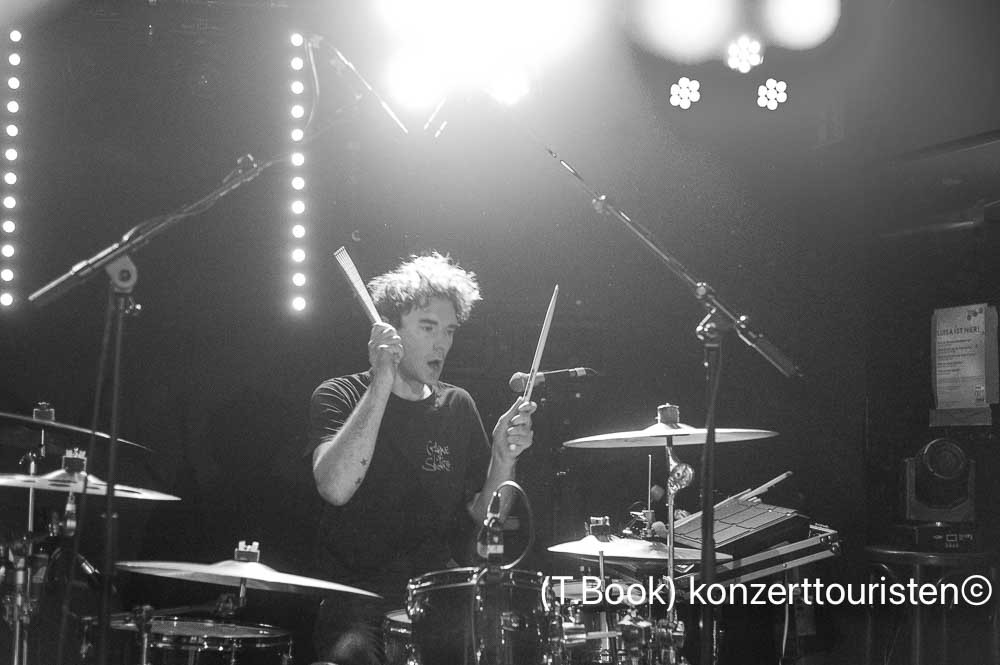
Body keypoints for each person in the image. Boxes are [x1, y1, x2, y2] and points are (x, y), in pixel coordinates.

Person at [308, 252, 536, 665]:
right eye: (428, 328)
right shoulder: (338, 394)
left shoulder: (457, 405)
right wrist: (382, 379)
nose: (442, 344)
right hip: (356, 601)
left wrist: (504, 458)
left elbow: (487, 516)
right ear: (389, 330)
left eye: (449, 331)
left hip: (436, 597)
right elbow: (336, 488)